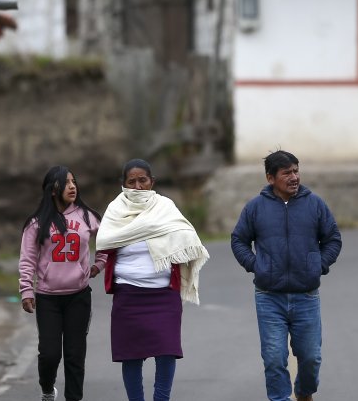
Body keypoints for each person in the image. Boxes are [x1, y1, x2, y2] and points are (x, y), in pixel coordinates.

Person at [231, 150, 342, 401]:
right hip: (269, 298)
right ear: (271, 178)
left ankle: (304, 393)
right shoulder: (255, 207)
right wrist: (255, 265)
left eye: (296, 171)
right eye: (287, 173)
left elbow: (333, 239)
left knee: (311, 358)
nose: (294, 177)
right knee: (273, 358)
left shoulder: (315, 204)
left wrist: (318, 265)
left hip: (306, 296)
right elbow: (238, 240)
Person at [96, 159, 209, 401]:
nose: (138, 186)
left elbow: (186, 235)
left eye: (143, 180)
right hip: (127, 295)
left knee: (167, 352)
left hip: (164, 294)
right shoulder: (115, 211)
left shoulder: (166, 208)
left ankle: (161, 398)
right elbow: (104, 242)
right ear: (123, 185)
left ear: (152, 182)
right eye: (131, 181)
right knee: (131, 356)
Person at [19, 166, 111, 401]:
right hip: (48, 297)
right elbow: (27, 259)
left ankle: (74, 398)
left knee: (74, 355)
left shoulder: (87, 216)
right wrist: (26, 290)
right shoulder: (36, 223)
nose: (72, 186)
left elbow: (108, 242)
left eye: (74, 181)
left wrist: (99, 264)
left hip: (78, 296)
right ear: (52, 190)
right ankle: (48, 390)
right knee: (49, 354)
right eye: (65, 182)